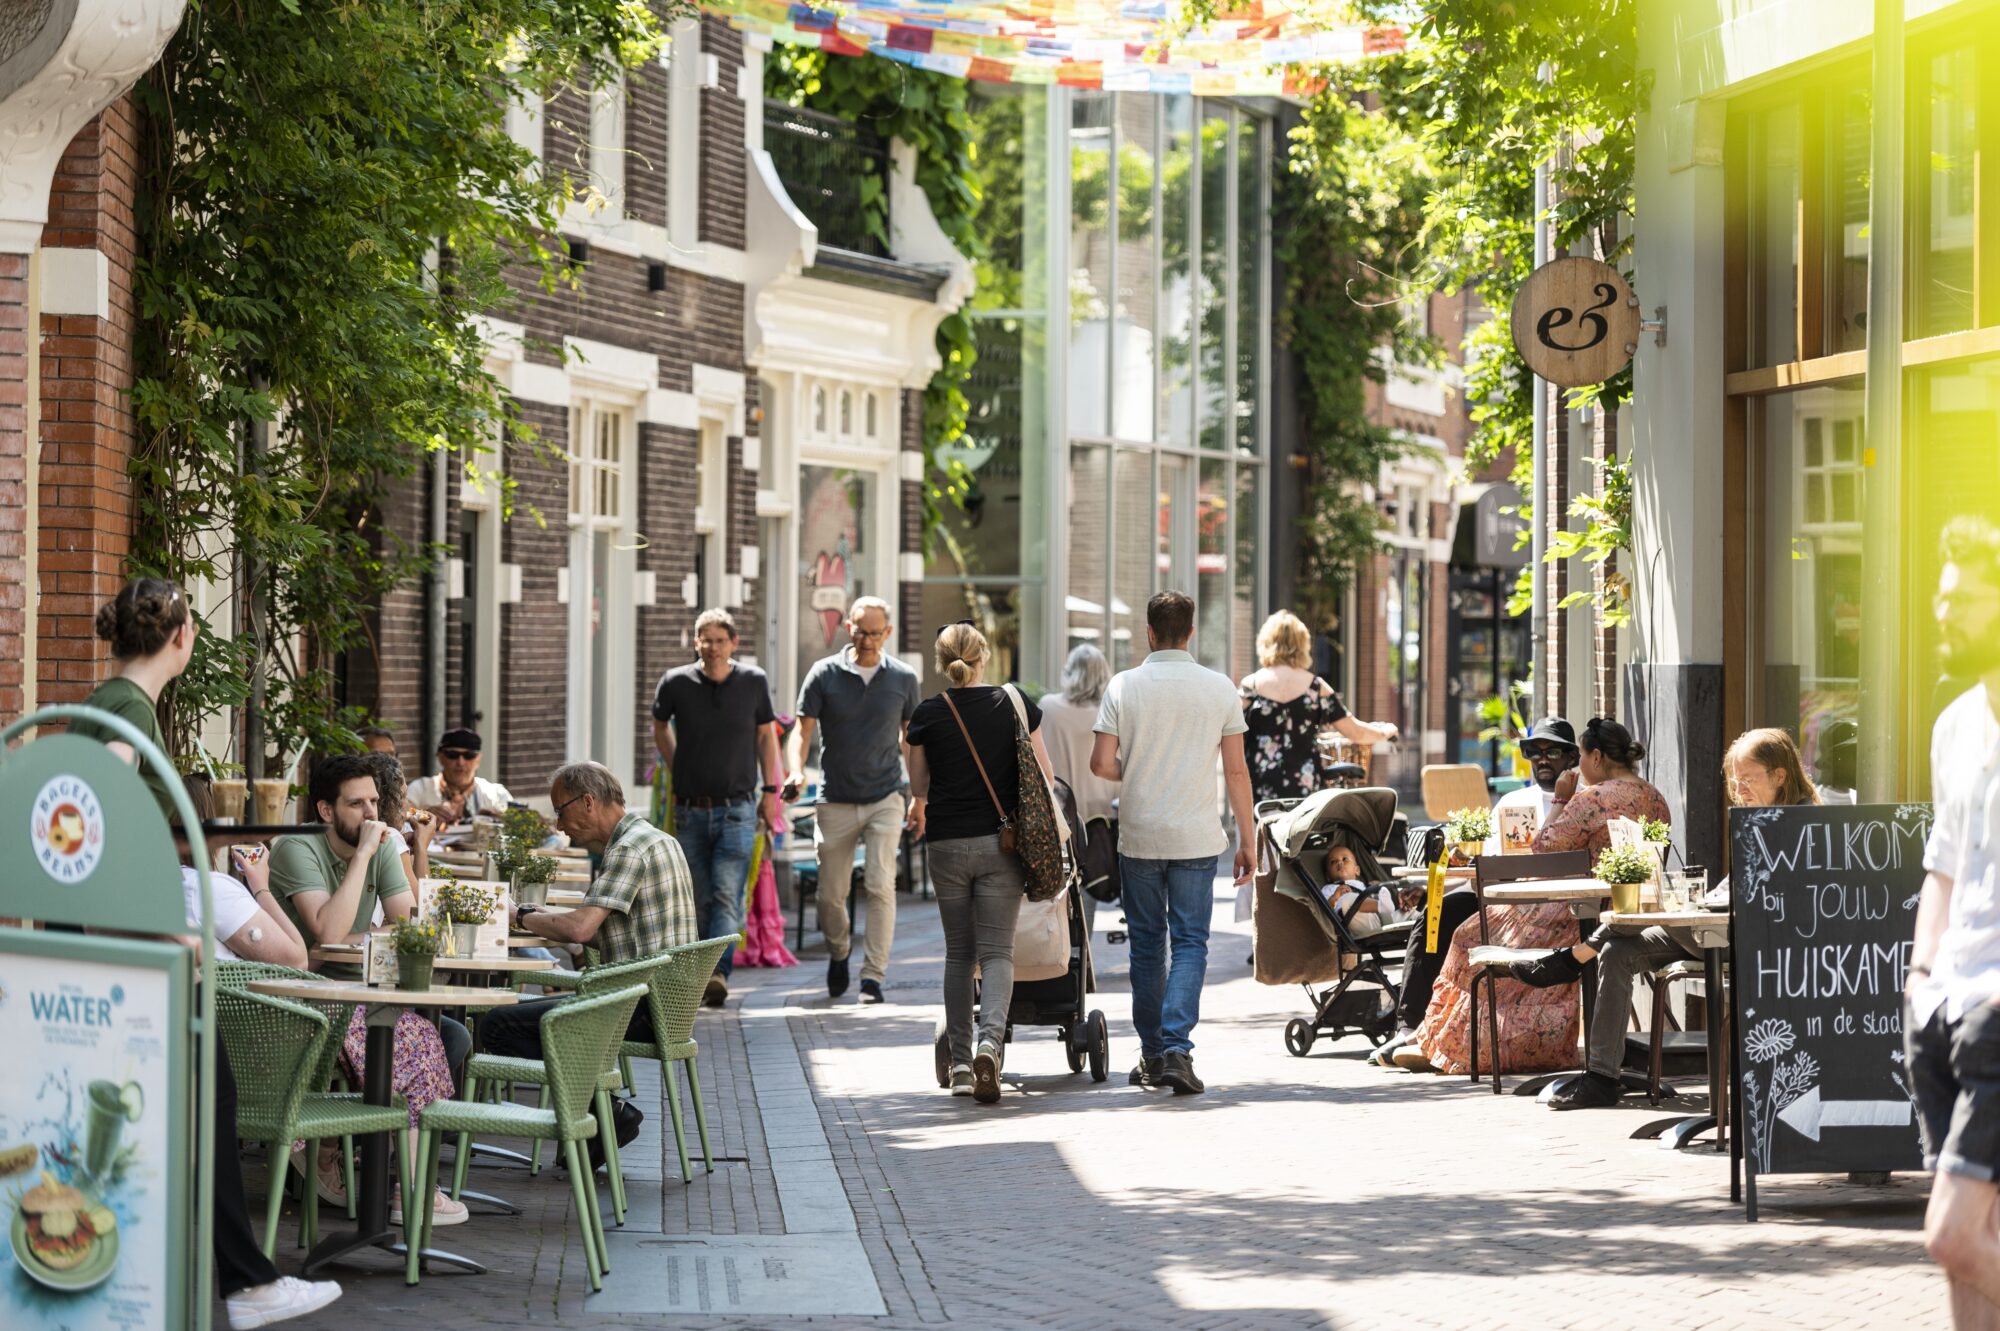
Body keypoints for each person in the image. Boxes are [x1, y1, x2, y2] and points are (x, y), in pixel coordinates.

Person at [69, 579, 344, 1328]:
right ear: (182, 637)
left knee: (176, 1105)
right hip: (137, 953)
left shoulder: (105, 701)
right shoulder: (128, 709)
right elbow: (106, 818)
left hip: (111, 948)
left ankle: (197, 1273)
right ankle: (245, 1282)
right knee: (205, 1095)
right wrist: (162, 926)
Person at [1507, 727, 1815, 1109]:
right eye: (1735, 779)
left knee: (1657, 903)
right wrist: (1712, 897)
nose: (1739, 787)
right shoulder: (1757, 814)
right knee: (1619, 951)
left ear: (1780, 775)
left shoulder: (1803, 822)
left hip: (1758, 943)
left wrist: (1711, 901)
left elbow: (1781, 892)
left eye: (1748, 778)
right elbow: (1740, 883)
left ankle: (1575, 957)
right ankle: (1602, 1076)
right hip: (1718, 927)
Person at [1395, 715, 1665, 1081]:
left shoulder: (1591, 799)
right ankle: (1462, 1041)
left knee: (1468, 938)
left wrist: (1561, 799)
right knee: (1471, 927)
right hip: (1632, 910)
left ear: (1597, 757)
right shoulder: (1654, 796)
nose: (1581, 767)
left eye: (1582, 757)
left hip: (1575, 912)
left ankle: (1460, 1046)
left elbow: (1542, 846)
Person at [267, 754, 468, 1225]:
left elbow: (412, 926)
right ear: (325, 810)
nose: (372, 814)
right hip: (299, 997)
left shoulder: (381, 845)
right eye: (356, 804)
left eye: (375, 801)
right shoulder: (296, 848)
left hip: (354, 992)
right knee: (418, 1038)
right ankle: (409, 1190)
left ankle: (386, 1173)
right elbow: (328, 932)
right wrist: (361, 858)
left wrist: (363, 931)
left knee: (446, 1035)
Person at [485, 762, 701, 1153]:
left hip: (638, 1007)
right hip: (668, 1004)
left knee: (498, 1025)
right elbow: (613, 934)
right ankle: (599, 1122)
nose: (559, 825)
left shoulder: (628, 849)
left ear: (587, 802)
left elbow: (582, 930)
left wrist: (518, 915)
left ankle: (609, 1115)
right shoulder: (656, 838)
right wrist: (551, 927)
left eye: (560, 810)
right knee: (525, 1014)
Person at [1090, 590, 1256, 1095]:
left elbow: (1100, 764)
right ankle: (1178, 1050)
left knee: (1146, 947)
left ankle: (1151, 1054)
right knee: (1190, 943)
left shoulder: (1124, 686)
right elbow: (1235, 770)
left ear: (1148, 632)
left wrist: (1136, 770)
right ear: (1188, 633)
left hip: (1139, 834)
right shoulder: (1218, 688)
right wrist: (1248, 839)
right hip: (1197, 836)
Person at [1906, 517, 2000, 1328]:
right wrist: (1918, 978)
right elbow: (1944, 863)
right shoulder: (1954, 724)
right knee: (1970, 1254)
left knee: (1954, 1237)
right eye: (1942, 598)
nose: (1945, 613)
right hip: (1944, 1004)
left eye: (1965, 600)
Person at [905, 622, 1055, 1103]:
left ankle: (963, 1066)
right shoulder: (1012, 704)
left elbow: (919, 788)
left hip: (946, 845)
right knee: (996, 954)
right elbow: (1044, 777)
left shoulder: (926, 714)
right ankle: (992, 1043)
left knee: (957, 954)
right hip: (1001, 844)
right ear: (983, 657)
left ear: (940, 660)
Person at [1378, 716, 1581, 1060]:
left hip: (1554, 909)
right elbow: (1485, 865)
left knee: (1461, 929)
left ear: (1572, 758)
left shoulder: (1583, 802)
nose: (1543, 759)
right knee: (1435, 917)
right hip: (1501, 901)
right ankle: (1408, 1027)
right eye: (1534, 751)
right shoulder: (1512, 802)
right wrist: (1436, 888)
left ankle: (1439, 1035)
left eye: (1553, 752)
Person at [784, 596, 921, 1004]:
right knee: (830, 895)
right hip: (836, 798)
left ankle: (872, 977)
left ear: (888, 633)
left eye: (875, 633)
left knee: (881, 884)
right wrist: (795, 769)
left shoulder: (903, 677)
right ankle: (840, 950)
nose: (867, 640)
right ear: (849, 629)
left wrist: (919, 797)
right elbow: (801, 730)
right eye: (860, 631)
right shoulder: (823, 674)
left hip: (885, 796)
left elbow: (910, 741)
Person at [653, 608, 782, 1007]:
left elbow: (766, 737)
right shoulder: (675, 682)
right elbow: (659, 727)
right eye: (705, 640)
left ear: (733, 643)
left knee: (727, 895)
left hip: (737, 809)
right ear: (695, 642)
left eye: (719, 640)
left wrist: (771, 790)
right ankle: (703, 972)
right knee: (699, 897)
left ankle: (716, 973)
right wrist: (679, 768)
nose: (712, 647)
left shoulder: (753, 681)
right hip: (690, 810)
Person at [1238, 610, 1397, 805]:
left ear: (1265, 643)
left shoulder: (1251, 686)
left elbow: (1232, 732)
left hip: (1259, 786)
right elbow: (1355, 732)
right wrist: (1384, 732)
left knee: (1259, 834)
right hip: (1304, 788)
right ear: (1302, 645)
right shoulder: (1316, 687)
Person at [1040, 645, 1120, 927]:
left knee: (1057, 895)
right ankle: (1083, 960)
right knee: (1091, 891)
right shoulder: (1110, 712)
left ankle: (1063, 957)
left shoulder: (1047, 708)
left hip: (1058, 817)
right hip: (1100, 820)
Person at [407, 727, 512, 829]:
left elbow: (519, 821)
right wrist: (424, 816)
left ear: (478, 759)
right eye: (453, 755)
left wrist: (499, 819)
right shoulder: (420, 788)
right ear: (441, 757)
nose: (460, 762)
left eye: (469, 755)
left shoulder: (494, 794)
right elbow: (402, 813)